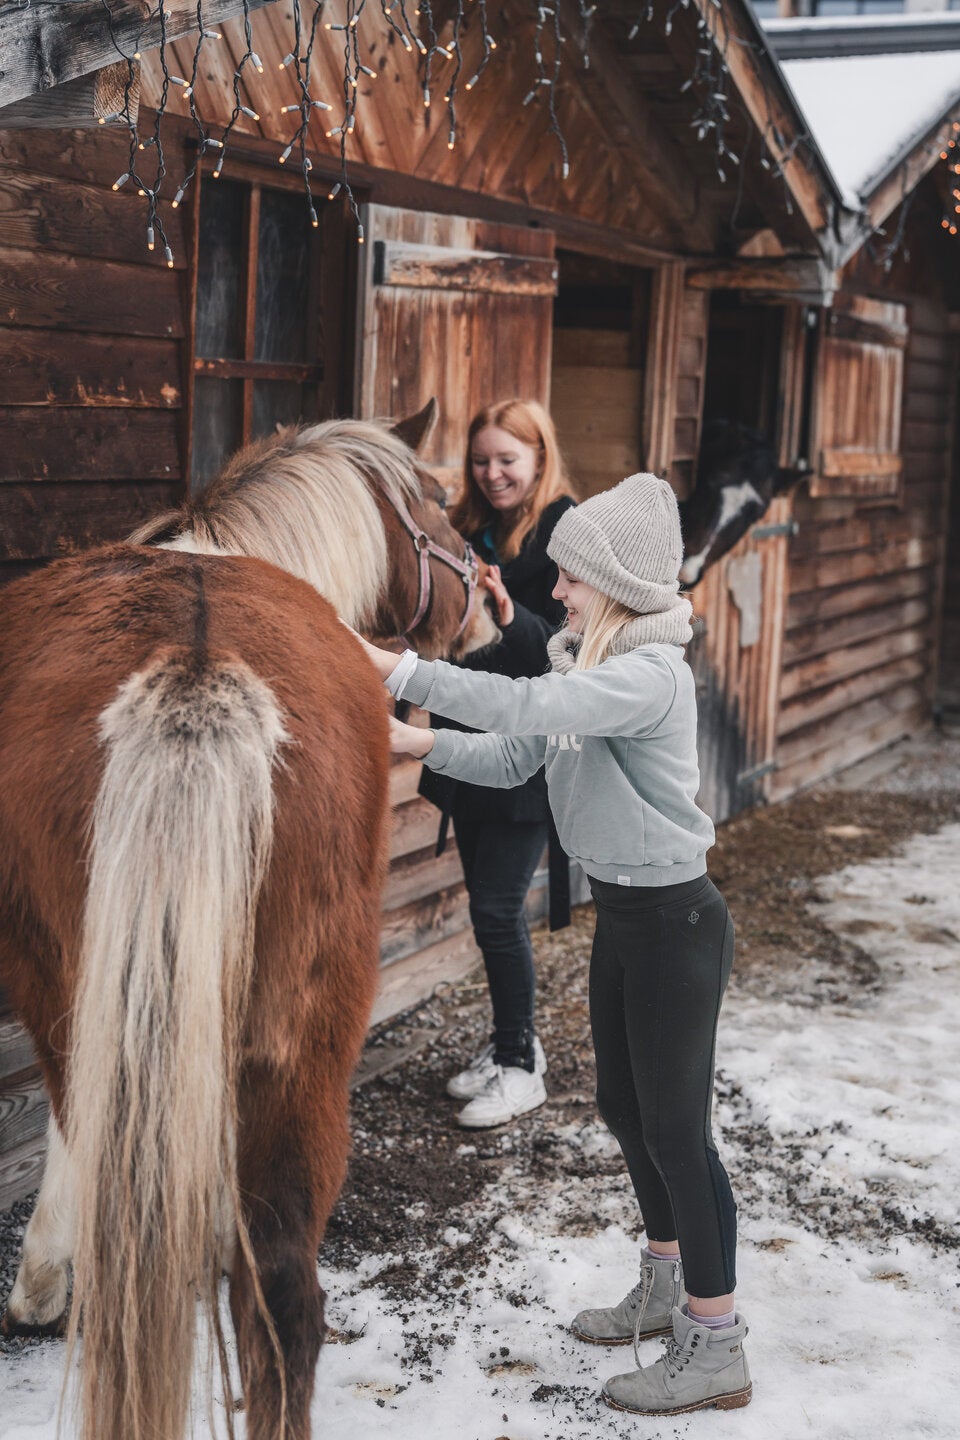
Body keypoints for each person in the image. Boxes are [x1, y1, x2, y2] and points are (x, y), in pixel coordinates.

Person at [353, 473, 751, 1416]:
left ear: (611, 581)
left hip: (675, 925)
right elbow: (512, 754)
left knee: (678, 1134)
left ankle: (716, 1340)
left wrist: (399, 671)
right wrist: (420, 745)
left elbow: (528, 712)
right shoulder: (586, 666)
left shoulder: (645, 677)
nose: (557, 593)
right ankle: (666, 1279)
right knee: (624, 1106)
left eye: (572, 578)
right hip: (629, 920)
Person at [421, 399, 575, 1130]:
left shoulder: (565, 533)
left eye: (507, 459)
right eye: (482, 459)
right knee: (488, 913)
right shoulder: (462, 526)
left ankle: (520, 1067)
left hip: (528, 753)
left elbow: (564, 651)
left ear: (539, 458)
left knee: (495, 907)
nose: (492, 472)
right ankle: (508, 1044)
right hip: (468, 743)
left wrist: (508, 611)